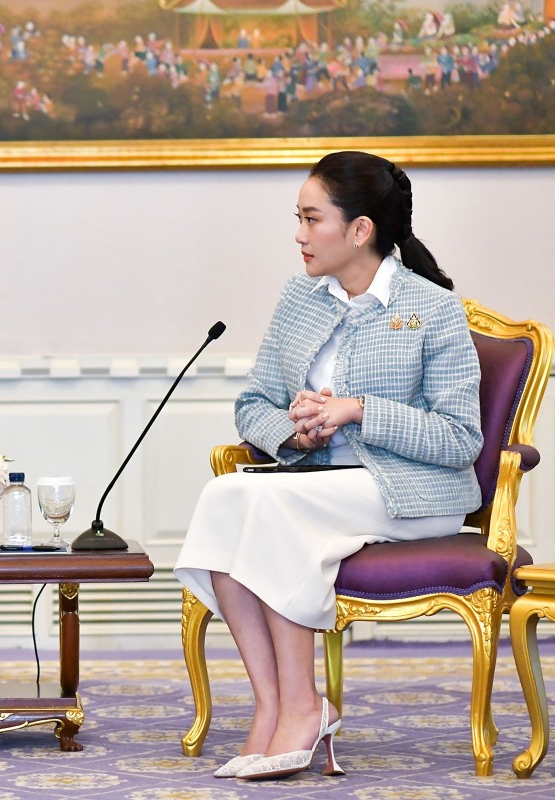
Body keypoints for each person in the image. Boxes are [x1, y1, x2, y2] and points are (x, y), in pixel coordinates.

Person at [174, 151, 482, 781]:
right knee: (227, 497)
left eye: (312, 219)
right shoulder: (300, 297)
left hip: (414, 492)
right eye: (299, 218)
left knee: (272, 507)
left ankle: (304, 707)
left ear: (360, 229)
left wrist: (357, 411)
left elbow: (460, 440)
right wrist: (299, 435)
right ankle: (275, 705)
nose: (299, 234)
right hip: (316, 482)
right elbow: (253, 403)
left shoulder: (433, 309)